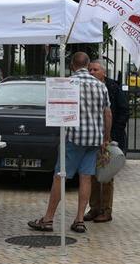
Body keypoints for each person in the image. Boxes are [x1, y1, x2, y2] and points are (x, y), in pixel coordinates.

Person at [28, 52, 111, 234]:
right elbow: (107, 113)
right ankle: (80, 219)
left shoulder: (67, 84)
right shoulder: (100, 85)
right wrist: (106, 138)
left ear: (72, 65)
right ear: (87, 64)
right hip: (94, 138)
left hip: (74, 137)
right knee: (86, 177)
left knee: (60, 176)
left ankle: (48, 218)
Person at [84, 60, 129, 223]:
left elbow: (124, 112)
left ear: (104, 72)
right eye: (89, 69)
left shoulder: (113, 88)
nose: (91, 72)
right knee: (92, 174)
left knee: (107, 175)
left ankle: (106, 210)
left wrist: (111, 135)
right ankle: (94, 207)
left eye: (95, 69)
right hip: (92, 136)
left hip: (110, 139)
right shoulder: (88, 86)